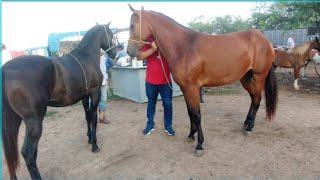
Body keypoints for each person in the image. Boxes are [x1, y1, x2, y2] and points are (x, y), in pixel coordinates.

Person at [137, 36, 175, 136]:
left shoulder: (167, 41)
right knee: (151, 104)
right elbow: (139, 57)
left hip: (165, 82)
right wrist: (153, 49)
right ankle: (150, 124)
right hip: (150, 82)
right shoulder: (147, 42)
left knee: (168, 105)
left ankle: (168, 126)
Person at [98, 50, 111, 124]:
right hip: (94, 81)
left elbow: (104, 68)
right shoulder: (91, 53)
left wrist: (106, 80)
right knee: (92, 100)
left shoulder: (103, 55)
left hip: (103, 80)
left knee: (103, 98)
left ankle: (102, 117)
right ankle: (91, 117)